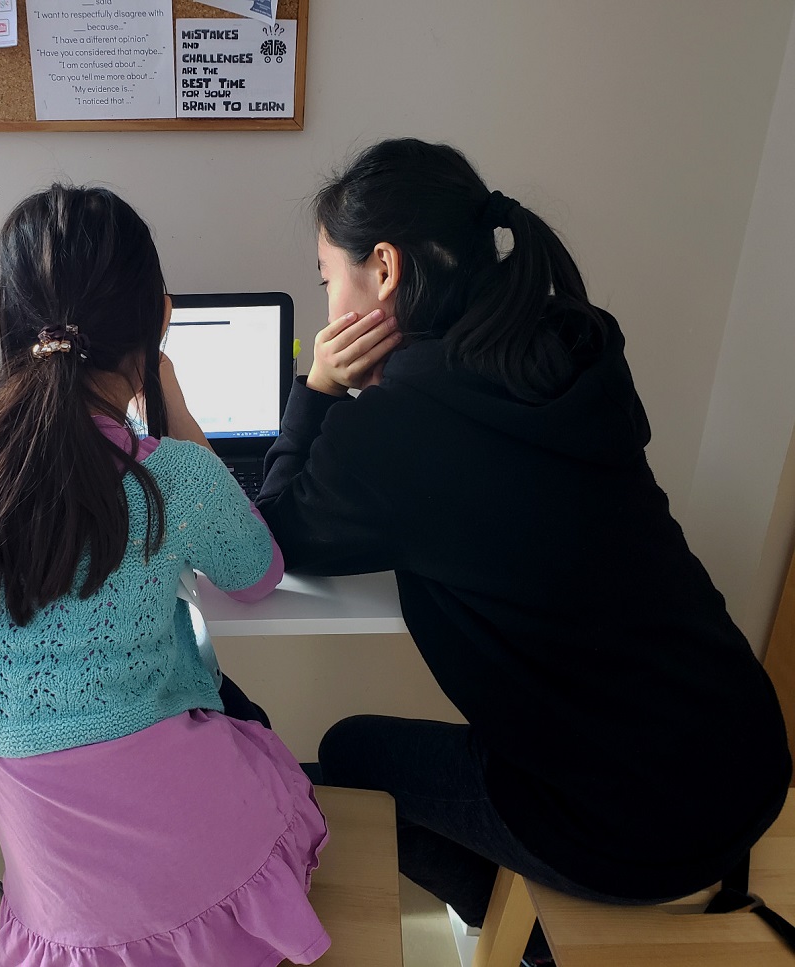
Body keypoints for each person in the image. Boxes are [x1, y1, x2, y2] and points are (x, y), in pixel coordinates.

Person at [256, 137, 792, 963]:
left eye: (328, 278)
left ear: (386, 270)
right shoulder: (569, 347)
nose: (327, 305)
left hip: (625, 825)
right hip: (747, 760)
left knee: (348, 753)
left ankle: (531, 937)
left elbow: (273, 535)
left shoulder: (397, 432)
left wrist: (318, 388)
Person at [0, 184, 329, 967]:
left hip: (61, 904)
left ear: (10, 317)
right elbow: (259, 572)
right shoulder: (172, 478)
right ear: (159, 319)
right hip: (201, 868)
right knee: (262, 747)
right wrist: (178, 416)